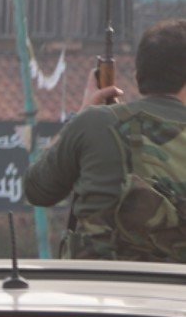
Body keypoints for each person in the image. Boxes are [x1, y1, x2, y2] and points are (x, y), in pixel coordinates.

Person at [24, 19, 186, 259]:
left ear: (138, 75)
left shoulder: (92, 123)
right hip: (174, 289)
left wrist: (81, 115)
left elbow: (37, 189)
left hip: (95, 284)